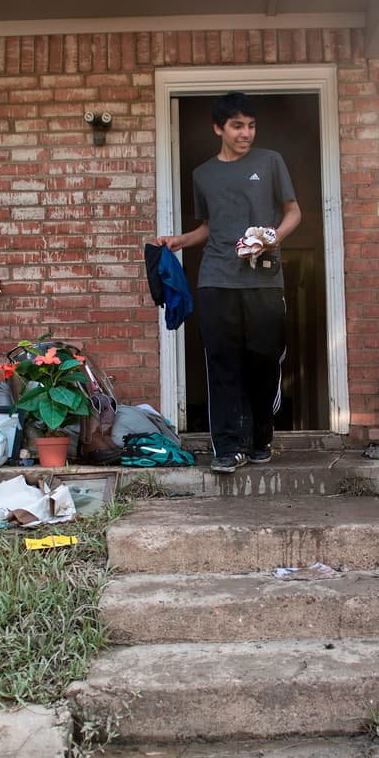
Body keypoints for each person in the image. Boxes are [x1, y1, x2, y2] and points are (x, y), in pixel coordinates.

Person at [155, 92, 301, 474]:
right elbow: (209, 227)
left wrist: (273, 237)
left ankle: (259, 438)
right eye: (238, 126)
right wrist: (178, 241)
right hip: (216, 278)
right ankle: (226, 447)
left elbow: (293, 212)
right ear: (219, 128)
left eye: (251, 125)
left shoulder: (271, 162)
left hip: (264, 279)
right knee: (222, 365)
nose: (246, 133)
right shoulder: (203, 174)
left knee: (263, 363)